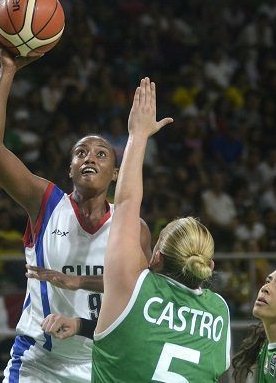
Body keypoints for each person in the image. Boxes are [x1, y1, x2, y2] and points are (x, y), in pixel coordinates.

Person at [0, 29, 151, 382]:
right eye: (80, 152)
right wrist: (7, 71)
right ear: (69, 168)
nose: (90, 157)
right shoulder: (45, 203)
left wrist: (78, 282)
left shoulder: (134, 227)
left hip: (100, 364)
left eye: (101, 153)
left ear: (116, 173)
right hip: (38, 361)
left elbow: (138, 293)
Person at [38, 78, 232, 382]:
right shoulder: (218, 311)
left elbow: (127, 201)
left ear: (154, 258)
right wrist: (79, 324)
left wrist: (137, 135)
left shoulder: (134, 286)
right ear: (208, 266)